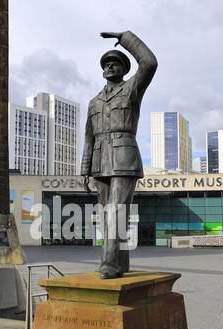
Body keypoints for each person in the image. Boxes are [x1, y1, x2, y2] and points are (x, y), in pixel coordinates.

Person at [81, 31, 157, 279]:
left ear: (125, 69)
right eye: (106, 64)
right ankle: (120, 263)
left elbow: (149, 62)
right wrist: (85, 169)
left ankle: (109, 265)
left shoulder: (132, 88)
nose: (109, 66)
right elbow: (89, 136)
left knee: (115, 211)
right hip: (99, 161)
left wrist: (125, 37)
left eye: (115, 63)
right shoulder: (94, 101)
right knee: (109, 215)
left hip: (124, 158)